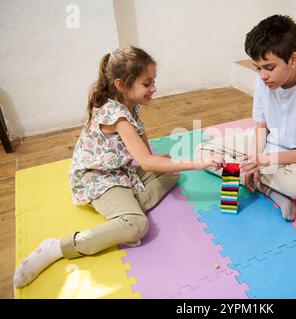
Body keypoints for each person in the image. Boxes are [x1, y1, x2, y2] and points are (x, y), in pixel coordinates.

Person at [13, 46, 223, 289]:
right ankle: (59, 247)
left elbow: (144, 148)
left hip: (121, 170)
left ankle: (124, 217)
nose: (153, 88)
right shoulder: (117, 116)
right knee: (137, 226)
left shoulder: (131, 104)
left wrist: (157, 161)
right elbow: (145, 162)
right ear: (122, 84)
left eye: (153, 81)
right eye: (147, 83)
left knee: (171, 173)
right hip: (98, 178)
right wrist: (198, 164)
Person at [197, 15, 296, 221]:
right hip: (268, 144)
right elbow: (262, 126)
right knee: (203, 152)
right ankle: (268, 189)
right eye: (257, 68)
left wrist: (264, 160)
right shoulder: (262, 82)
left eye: (269, 67)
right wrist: (253, 160)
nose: (262, 76)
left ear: (293, 59)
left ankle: (257, 182)